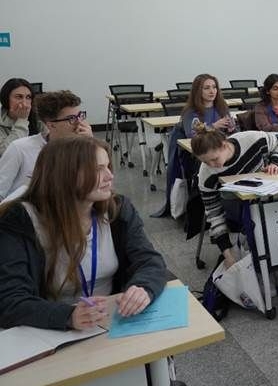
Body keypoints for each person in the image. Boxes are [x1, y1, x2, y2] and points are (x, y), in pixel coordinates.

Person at [0, 136, 166, 330]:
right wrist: (69, 316)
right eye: (97, 169)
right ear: (64, 175)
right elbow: (9, 299)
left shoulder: (117, 208)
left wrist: (143, 288)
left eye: (108, 166)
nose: (110, 176)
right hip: (50, 328)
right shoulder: (21, 220)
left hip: (111, 320)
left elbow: (149, 260)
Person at [191, 123, 278, 297]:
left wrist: (274, 162)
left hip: (269, 196)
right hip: (238, 206)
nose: (212, 165)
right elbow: (214, 214)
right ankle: (262, 271)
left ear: (224, 145)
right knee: (254, 223)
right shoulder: (206, 175)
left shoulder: (252, 139)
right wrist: (227, 254)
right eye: (205, 162)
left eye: (214, 159)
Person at [0, 90, 93, 200]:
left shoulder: (82, 148)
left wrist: (91, 147)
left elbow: (96, 184)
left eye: (80, 116)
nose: (80, 123)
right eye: (71, 119)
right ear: (51, 125)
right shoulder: (20, 148)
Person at [181, 74, 236, 138]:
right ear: (198, 91)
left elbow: (229, 132)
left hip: (219, 141)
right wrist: (214, 126)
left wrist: (231, 129)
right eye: (206, 88)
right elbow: (192, 135)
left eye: (214, 87)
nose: (212, 91)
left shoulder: (222, 106)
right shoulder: (190, 111)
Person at [0, 78, 45, 157]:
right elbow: (7, 154)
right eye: (19, 97)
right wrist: (22, 120)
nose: (24, 103)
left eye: (28, 97)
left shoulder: (38, 118)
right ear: (6, 99)